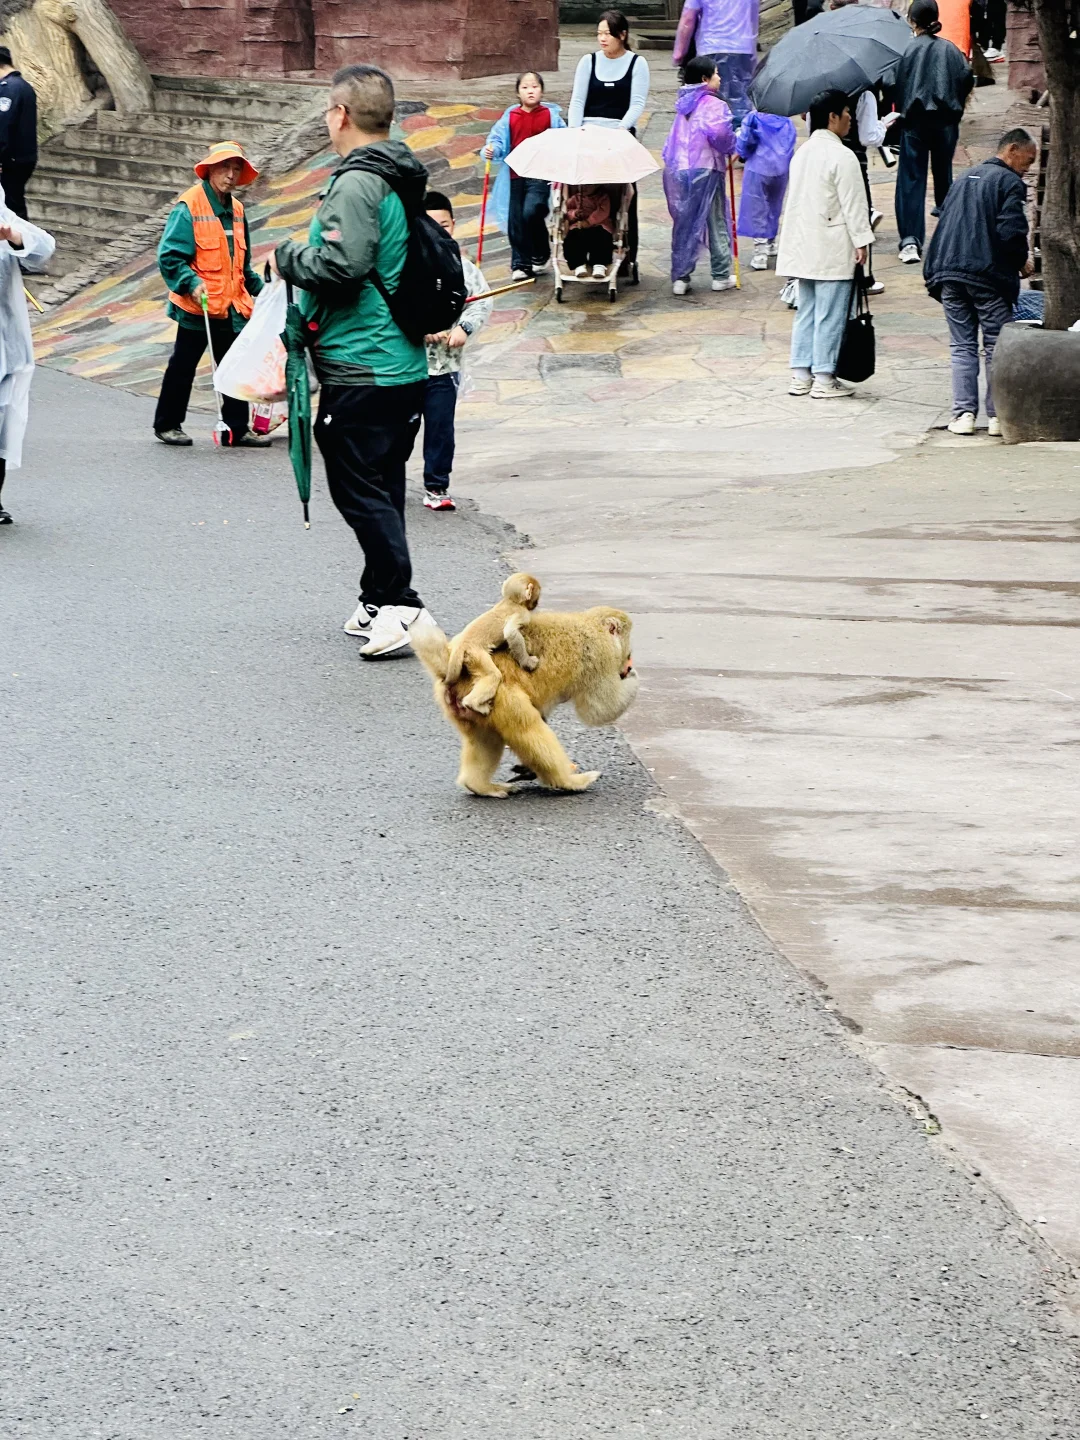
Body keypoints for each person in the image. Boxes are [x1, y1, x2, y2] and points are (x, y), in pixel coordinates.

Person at [275, 64, 434, 660]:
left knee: (356, 485)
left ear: (341, 114)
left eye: (326, 109)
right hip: (399, 362)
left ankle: (403, 605)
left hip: (365, 360)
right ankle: (378, 597)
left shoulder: (357, 182)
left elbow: (344, 266)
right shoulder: (397, 173)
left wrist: (289, 256)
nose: (325, 118)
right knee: (381, 483)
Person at [923, 127, 1036, 436]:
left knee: (962, 345)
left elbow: (944, 220)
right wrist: (1019, 263)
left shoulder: (965, 178)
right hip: (986, 275)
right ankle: (997, 415)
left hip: (949, 272)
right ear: (1012, 150)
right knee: (995, 345)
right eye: (1028, 161)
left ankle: (963, 415)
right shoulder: (1009, 183)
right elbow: (1011, 232)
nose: (1028, 170)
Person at [154, 141, 268, 448]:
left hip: (231, 304)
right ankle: (168, 424)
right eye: (224, 168)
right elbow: (170, 257)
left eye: (236, 169)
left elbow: (242, 266)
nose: (231, 175)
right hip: (198, 305)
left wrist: (266, 290)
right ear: (211, 170)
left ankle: (236, 428)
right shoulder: (189, 205)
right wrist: (191, 283)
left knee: (234, 364)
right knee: (183, 365)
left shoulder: (238, 210)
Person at [776, 89, 874, 399]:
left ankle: (801, 374)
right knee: (830, 312)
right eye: (846, 113)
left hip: (804, 242)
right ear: (832, 117)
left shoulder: (802, 152)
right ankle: (824, 376)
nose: (850, 119)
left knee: (808, 309)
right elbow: (854, 205)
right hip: (831, 243)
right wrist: (862, 241)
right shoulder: (842, 155)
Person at [420, 191, 493, 512]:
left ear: (454, 225)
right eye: (430, 224)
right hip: (406, 365)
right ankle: (384, 478)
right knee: (399, 426)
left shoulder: (463, 267)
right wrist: (419, 329)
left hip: (445, 367)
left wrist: (464, 328)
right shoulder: (406, 264)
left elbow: (481, 299)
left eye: (445, 224)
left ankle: (436, 486)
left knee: (440, 428)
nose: (439, 231)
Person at [568, 9, 650, 275]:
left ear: (622, 35)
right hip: (588, 134)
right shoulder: (588, 62)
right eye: (599, 33)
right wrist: (575, 132)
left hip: (619, 135)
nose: (602, 39)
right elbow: (577, 101)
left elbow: (636, 103)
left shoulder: (637, 63)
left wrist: (621, 130)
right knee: (584, 192)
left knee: (624, 194)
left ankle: (628, 254)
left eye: (608, 34)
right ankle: (584, 253)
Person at [893, 0, 973, 263]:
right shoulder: (951, 50)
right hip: (945, 123)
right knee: (944, 177)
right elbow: (966, 79)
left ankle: (910, 242)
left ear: (912, 20)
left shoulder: (906, 50)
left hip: (914, 123)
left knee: (911, 181)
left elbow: (892, 82)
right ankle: (951, 237)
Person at [662, 55, 737, 296]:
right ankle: (721, 274)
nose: (720, 77)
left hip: (682, 169)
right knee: (716, 220)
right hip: (707, 167)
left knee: (685, 221)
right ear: (705, 79)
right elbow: (720, 133)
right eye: (716, 74)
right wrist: (732, 144)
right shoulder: (714, 104)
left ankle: (681, 277)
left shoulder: (684, 104)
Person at [0, 187, 53, 525]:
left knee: (3, 424)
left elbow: (42, 248)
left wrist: (13, 236)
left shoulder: (4, 219)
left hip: (6, 345)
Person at [482, 72, 565, 282]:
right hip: (514, 173)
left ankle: (540, 252)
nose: (530, 91)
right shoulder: (510, 117)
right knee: (515, 219)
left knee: (533, 210)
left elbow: (563, 139)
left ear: (542, 91)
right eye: (525, 87)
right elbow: (497, 140)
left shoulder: (550, 116)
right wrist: (491, 149)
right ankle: (521, 263)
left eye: (535, 87)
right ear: (518, 92)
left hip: (540, 173)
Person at [672, 0, 759, 128]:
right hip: (743, 48)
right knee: (740, 105)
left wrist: (679, 53)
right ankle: (739, 139)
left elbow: (688, 19)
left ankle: (712, 142)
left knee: (708, 105)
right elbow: (753, 17)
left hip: (711, 46)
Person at [735, 108, 796, 271]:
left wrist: (740, 148)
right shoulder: (786, 120)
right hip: (781, 169)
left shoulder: (753, 118)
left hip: (758, 167)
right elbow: (791, 144)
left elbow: (744, 142)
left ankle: (760, 253)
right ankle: (771, 243)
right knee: (774, 206)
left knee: (757, 209)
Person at [0, 48, 37, 221]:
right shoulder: (23, 86)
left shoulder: (9, 88)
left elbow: (3, 126)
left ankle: (22, 245)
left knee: (11, 208)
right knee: (13, 204)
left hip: (11, 159)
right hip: (22, 157)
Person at [563, 185, 617, 275]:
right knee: (572, 238)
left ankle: (599, 264)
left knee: (602, 239)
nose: (584, 188)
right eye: (582, 186)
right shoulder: (575, 198)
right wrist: (574, 213)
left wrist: (589, 221)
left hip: (599, 225)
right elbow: (567, 211)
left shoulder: (603, 197)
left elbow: (603, 211)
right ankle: (578, 264)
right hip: (579, 226)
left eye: (588, 185)